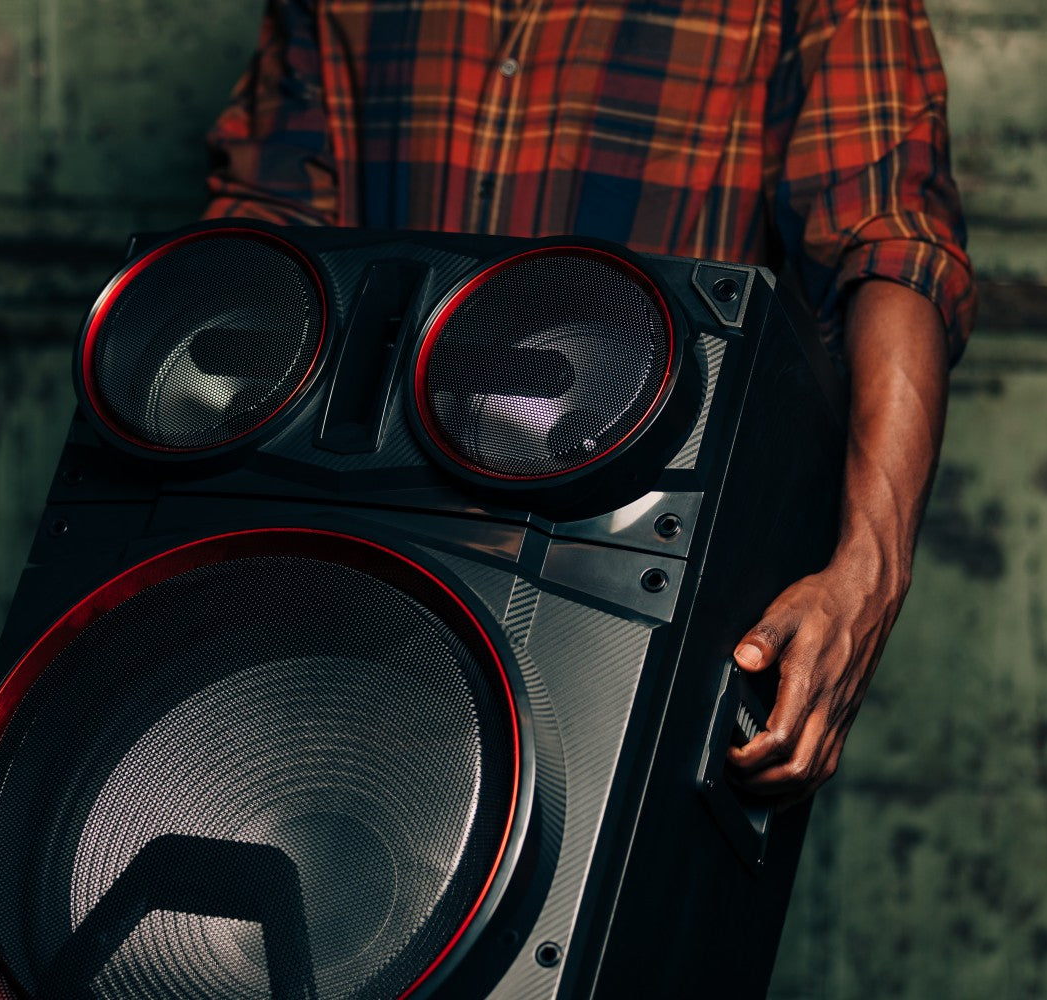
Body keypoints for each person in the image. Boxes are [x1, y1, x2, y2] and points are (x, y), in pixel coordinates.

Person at [201, 0, 976, 808]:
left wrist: (869, 573)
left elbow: (891, 246)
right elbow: (264, 232)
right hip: (343, 548)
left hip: (614, 563)